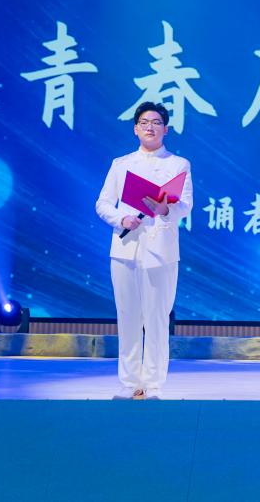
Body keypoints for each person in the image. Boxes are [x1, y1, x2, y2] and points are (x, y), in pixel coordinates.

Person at [95, 102, 193, 400]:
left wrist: (166, 209)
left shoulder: (179, 164)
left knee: (157, 318)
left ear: (166, 129)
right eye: (144, 122)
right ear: (135, 128)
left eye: (156, 122)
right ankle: (129, 382)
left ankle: (153, 384)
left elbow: (185, 205)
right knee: (127, 317)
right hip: (126, 247)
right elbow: (103, 203)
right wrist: (121, 218)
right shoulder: (121, 164)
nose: (150, 127)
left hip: (161, 251)